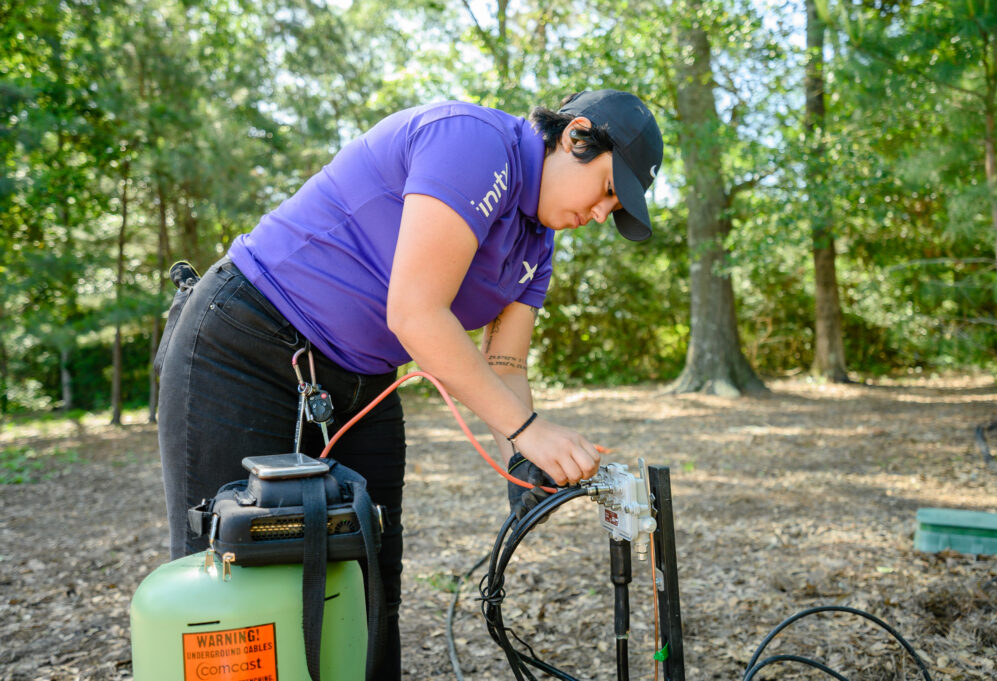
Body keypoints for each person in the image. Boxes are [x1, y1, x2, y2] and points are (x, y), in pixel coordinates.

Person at [154, 88, 663, 680]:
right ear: (576, 137)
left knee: (371, 589)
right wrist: (528, 430)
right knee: (231, 589)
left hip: (363, 381)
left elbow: (506, 367)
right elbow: (417, 313)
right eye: (608, 191)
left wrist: (524, 469)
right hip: (246, 346)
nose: (603, 214)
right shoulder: (473, 143)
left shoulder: (537, 246)